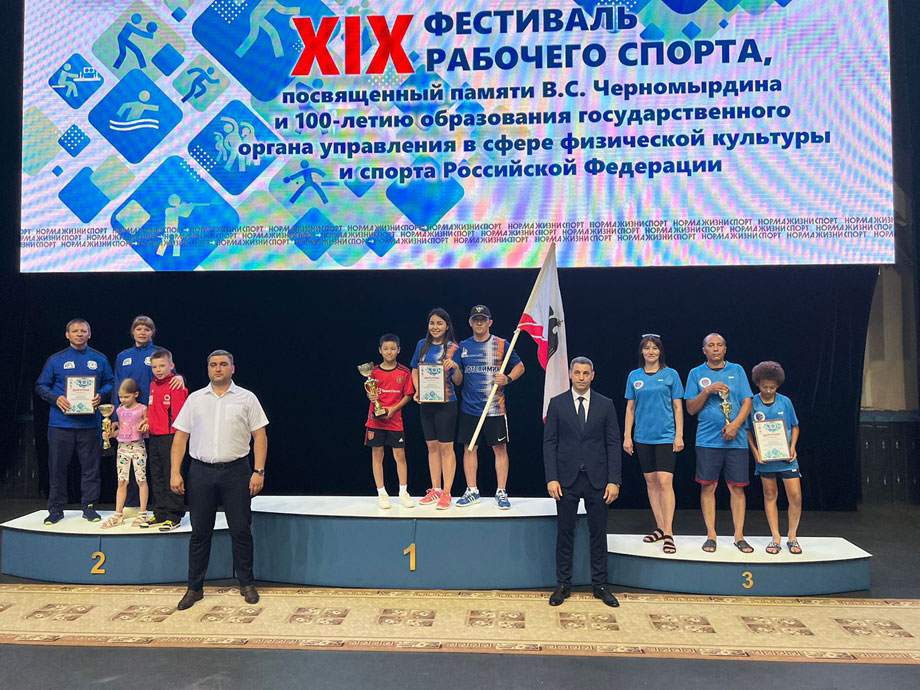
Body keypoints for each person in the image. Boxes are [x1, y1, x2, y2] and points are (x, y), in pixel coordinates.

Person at [170, 350, 268, 610]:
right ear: (208, 369)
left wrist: (258, 471)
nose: (218, 368)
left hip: (236, 472)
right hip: (201, 473)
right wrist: (175, 471)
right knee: (200, 533)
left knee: (241, 530)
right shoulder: (195, 399)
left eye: (223, 364)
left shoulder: (247, 398)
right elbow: (180, 437)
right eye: (213, 364)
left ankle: (246, 583)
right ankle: (194, 588)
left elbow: (260, 435)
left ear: (232, 368)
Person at [544, 357, 622, 608]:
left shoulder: (605, 404)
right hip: (566, 480)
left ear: (592, 375)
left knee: (598, 533)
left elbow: (613, 443)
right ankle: (563, 585)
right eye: (577, 372)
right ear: (570, 374)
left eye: (585, 373)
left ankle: (600, 585)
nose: (580, 377)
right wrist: (552, 477)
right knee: (565, 533)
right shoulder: (557, 403)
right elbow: (550, 443)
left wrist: (614, 480)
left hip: (597, 480)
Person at [35, 318, 114, 525]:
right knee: (57, 468)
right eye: (75, 331)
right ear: (67, 334)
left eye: (83, 331)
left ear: (90, 334)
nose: (79, 334)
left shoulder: (99, 359)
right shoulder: (56, 359)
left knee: (91, 469)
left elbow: (110, 382)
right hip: (60, 424)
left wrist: (101, 395)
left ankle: (89, 507)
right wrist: (56, 398)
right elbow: (41, 385)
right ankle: (56, 509)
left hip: (90, 425)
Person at [685, 333, 754, 553]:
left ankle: (739, 536)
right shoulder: (696, 373)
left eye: (719, 345)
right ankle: (711, 535)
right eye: (711, 345)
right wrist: (707, 390)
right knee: (708, 486)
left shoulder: (737, 370)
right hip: (707, 440)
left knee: (737, 488)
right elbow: (691, 409)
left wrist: (735, 425)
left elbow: (747, 402)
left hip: (737, 440)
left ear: (725, 349)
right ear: (704, 350)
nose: (715, 348)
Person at [456, 305, 524, 509]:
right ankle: (472, 490)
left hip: (495, 407)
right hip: (470, 408)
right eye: (476, 319)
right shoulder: (462, 346)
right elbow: (458, 379)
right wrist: (452, 369)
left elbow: (520, 366)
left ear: (490, 322)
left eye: (483, 319)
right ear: (470, 322)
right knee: (469, 448)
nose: (479, 322)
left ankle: (501, 492)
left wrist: (507, 379)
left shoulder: (501, 344)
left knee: (500, 449)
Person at [113, 316, 184, 511]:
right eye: (139, 329)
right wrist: (116, 418)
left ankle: (161, 507)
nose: (142, 332)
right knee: (130, 465)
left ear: (153, 332)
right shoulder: (123, 356)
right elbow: (117, 386)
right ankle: (132, 506)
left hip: (156, 420)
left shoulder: (158, 353)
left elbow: (172, 377)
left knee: (157, 466)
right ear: (132, 332)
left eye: (147, 329)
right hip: (130, 420)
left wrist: (180, 377)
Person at [622, 334, 684, 554]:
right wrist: (627, 436)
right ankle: (660, 526)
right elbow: (630, 408)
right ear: (642, 351)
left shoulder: (671, 374)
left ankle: (669, 533)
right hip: (642, 437)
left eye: (654, 348)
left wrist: (679, 435)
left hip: (666, 436)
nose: (650, 351)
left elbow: (678, 407)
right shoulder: (634, 376)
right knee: (651, 482)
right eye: (647, 348)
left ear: (660, 351)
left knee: (665, 481)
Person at [747, 361, 803, 555]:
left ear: (778, 385)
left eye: (772, 387)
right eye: (765, 387)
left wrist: (793, 447)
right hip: (765, 460)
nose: (768, 390)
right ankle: (775, 537)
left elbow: (795, 426)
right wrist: (756, 453)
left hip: (787, 458)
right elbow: (748, 431)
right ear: (758, 384)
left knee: (795, 496)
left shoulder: (785, 402)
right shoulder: (752, 403)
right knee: (770, 495)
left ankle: (792, 536)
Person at [410, 308, 463, 510]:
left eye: (439, 323)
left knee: (446, 448)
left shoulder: (454, 348)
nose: (435, 327)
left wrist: (455, 367)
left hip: (446, 405)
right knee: (432, 447)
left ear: (447, 326)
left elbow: (458, 381)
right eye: (432, 323)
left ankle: (447, 493)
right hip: (426, 404)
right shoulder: (422, 345)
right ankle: (435, 489)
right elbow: (415, 370)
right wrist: (418, 390)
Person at [365, 334, 415, 509]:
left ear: (398, 350)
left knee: (400, 455)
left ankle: (403, 493)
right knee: (377, 455)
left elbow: (408, 395)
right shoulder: (373, 372)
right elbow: (370, 393)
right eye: (385, 349)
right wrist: (370, 396)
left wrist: (393, 409)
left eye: (393, 349)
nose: (389, 352)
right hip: (375, 421)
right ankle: (381, 493)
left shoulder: (404, 372)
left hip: (395, 421)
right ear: (380, 350)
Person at [145, 348, 189, 531]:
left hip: (171, 438)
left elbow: (181, 417)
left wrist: (177, 437)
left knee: (172, 475)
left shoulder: (177, 385)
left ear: (171, 366)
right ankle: (160, 512)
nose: (158, 370)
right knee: (157, 476)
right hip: (154, 436)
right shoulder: (152, 385)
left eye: (162, 366)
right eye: (155, 367)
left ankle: (174, 515)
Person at [102, 379, 149, 528]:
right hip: (122, 448)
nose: (123, 400)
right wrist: (110, 435)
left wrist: (146, 425)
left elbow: (148, 426)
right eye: (120, 397)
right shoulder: (119, 410)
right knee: (122, 481)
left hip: (137, 446)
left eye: (126, 397)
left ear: (136, 394)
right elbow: (121, 430)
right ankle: (118, 515)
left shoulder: (142, 409)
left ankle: (143, 513)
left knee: (141, 480)